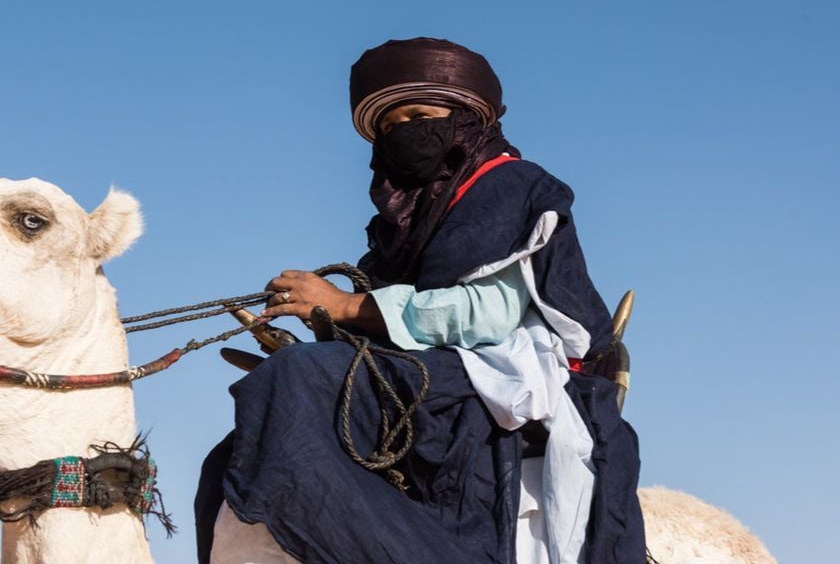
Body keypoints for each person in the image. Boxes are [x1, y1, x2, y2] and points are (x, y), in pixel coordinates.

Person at [196, 38, 645, 564]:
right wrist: (326, 328)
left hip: (499, 373)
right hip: (432, 372)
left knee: (299, 377)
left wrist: (343, 309)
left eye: (420, 115)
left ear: (465, 120)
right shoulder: (400, 225)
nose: (403, 132)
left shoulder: (509, 187)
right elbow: (379, 315)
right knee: (236, 448)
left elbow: (489, 314)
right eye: (388, 126)